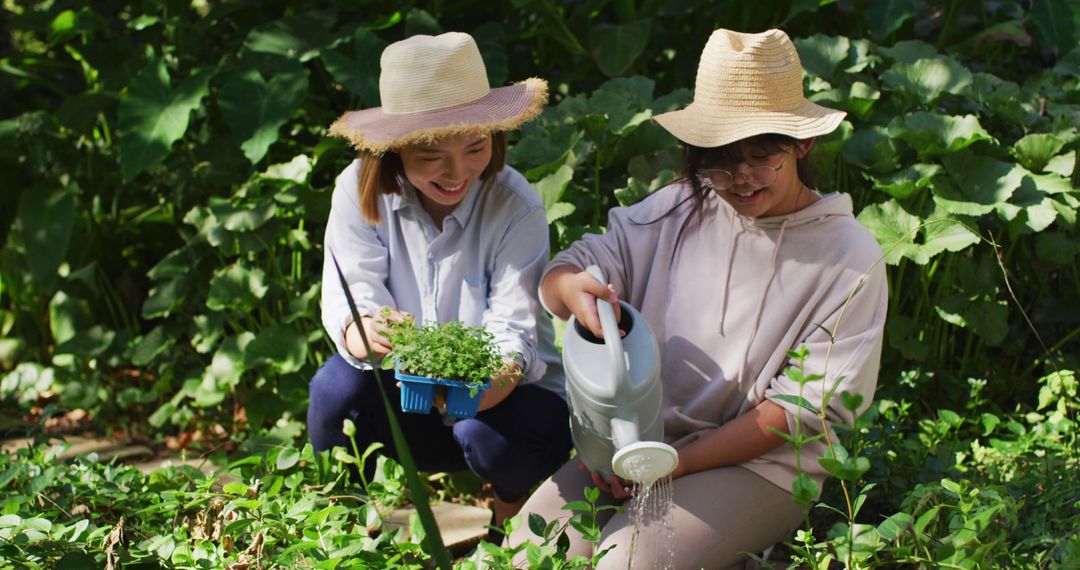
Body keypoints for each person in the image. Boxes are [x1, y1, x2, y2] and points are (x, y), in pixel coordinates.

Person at [508, 28, 888, 568]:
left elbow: (796, 412)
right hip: (637, 445)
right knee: (524, 556)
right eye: (719, 159)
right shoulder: (681, 207)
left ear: (802, 143)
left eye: (761, 156)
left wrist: (673, 465)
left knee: (626, 564)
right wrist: (572, 289)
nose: (739, 178)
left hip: (762, 468)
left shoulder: (849, 256)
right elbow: (572, 268)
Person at [307, 32, 571, 527]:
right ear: (395, 151)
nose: (459, 173)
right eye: (432, 157)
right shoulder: (356, 190)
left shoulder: (516, 206)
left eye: (476, 148)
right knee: (333, 390)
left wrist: (471, 386)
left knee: (487, 437)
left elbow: (513, 331)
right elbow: (353, 291)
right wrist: (363, 329)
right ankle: (339, 523)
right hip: (405, 396)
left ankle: (510, 513)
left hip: (502, 407)